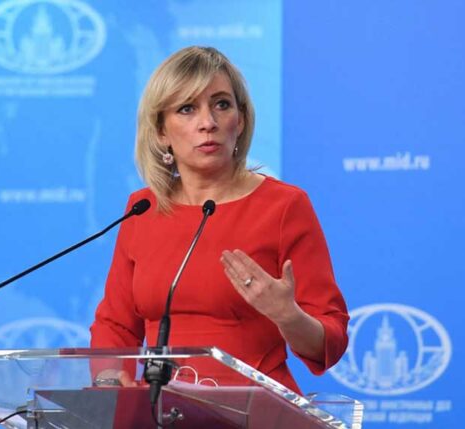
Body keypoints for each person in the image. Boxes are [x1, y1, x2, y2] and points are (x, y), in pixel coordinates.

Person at [90, 46, 348, 394]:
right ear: (161, 130)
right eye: (187, 108)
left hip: (255, 408)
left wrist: (288, 315)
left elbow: (331, 341)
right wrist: (108, 381)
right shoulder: (143, 208)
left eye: (222, 104)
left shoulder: (284, 206)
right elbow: (116, 325)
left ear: (240, 121)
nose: (208, 123)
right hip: (159, 408)